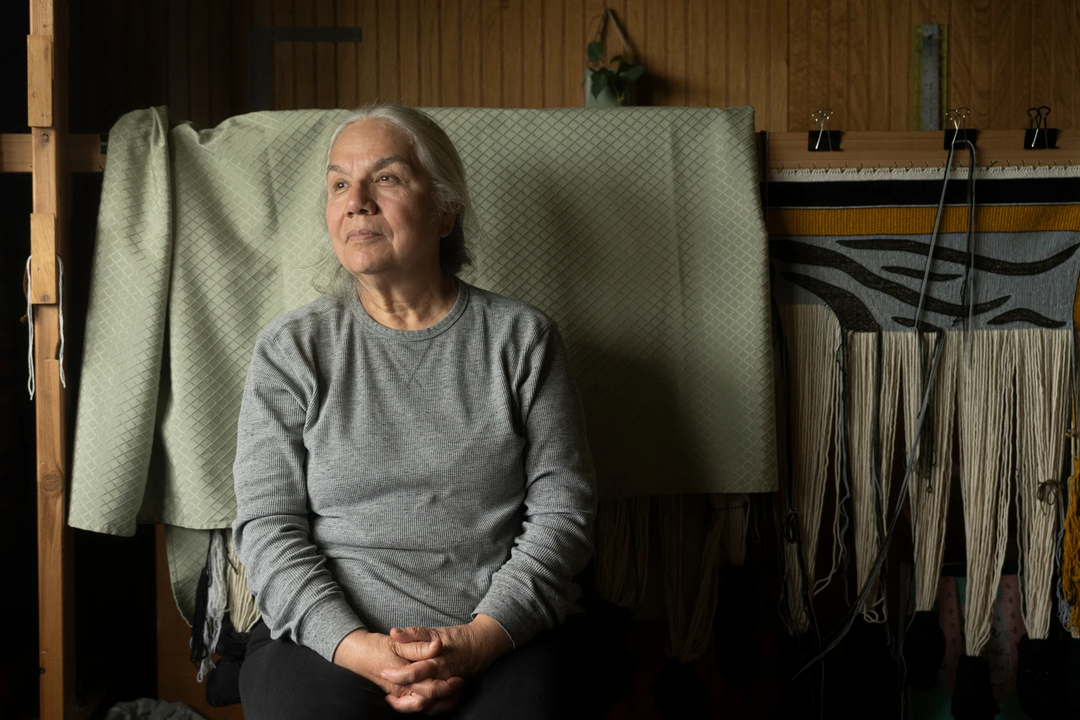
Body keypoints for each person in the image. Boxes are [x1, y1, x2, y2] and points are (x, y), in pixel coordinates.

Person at [232, 104, 600, 719]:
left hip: (497, 637)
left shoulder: (523, 340)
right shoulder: (291, 349)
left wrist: (476, 642)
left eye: (388, 178)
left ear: (446, 210)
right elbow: (268, 528)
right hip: (331, 645)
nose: (358, 201)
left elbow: (564, 516)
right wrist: (359, 648)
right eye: (340, 185)